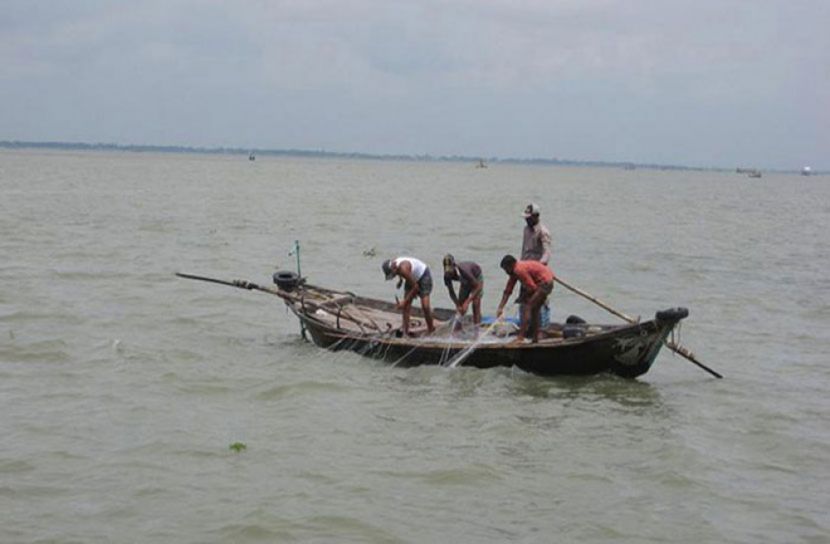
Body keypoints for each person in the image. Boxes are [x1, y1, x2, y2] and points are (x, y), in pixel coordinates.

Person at [495, 255, 554, 343]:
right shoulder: (514, 271)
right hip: (543, 281)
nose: (506, 272)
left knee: (528, 307)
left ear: (510, 265)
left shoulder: (518, 270)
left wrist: (522, 298)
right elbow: (508, 290)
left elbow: (532, 288)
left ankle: (520, 337)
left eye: (506, 269)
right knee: (535, 310)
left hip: (545, 282)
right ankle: (535, 338)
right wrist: (501, 307)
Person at [381, 257, 435, 336]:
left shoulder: (403, 268)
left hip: (423, 275)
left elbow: (416, 287)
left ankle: (431, 329)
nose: (393, 276)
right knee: (406, 307)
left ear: (394, 268)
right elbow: (400, 273)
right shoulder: (396, 265)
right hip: (411, 277)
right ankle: (405, 332)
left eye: (393, 274)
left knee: (425, 306)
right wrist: (401, 281)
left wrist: (405, 301)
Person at [520, 202, 553, 327]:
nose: (527, 220)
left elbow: (546, 254)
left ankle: (542, 328)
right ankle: (526, 327)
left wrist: (538, 267)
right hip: (524, 271)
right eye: (526, 218)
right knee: (524, 300)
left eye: (529, 218)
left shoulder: (543, 232)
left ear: (536, 216)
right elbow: (524, 251)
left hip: (537, 272)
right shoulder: (526, 230)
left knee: (538, 302)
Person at [442, 254, 484, 325]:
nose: (449, 273)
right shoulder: (446, 276)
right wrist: (457, 304)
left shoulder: (464, 270)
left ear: (454, 266)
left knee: (475, 304)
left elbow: (478, 286)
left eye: (451, 270)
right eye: (447, 271)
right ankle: (459, 326)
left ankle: (477, 326)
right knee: (461, 306)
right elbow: (451, 292)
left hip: (476, 278)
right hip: (464, 281)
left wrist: (467, 302)